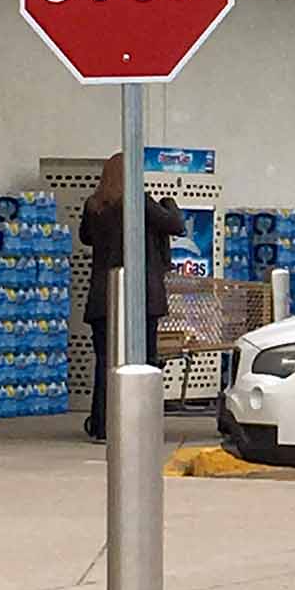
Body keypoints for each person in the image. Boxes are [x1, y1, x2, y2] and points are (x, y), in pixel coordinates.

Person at [79, 153, 186, 443]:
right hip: (141, 295)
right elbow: (176, 225)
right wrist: (169, 203)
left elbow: (85, 238)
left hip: (103, 296)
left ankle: (102, 424)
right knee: (144, 362)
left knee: (105, 362)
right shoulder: (138, 201)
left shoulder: (94, 206)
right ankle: (140, 424)